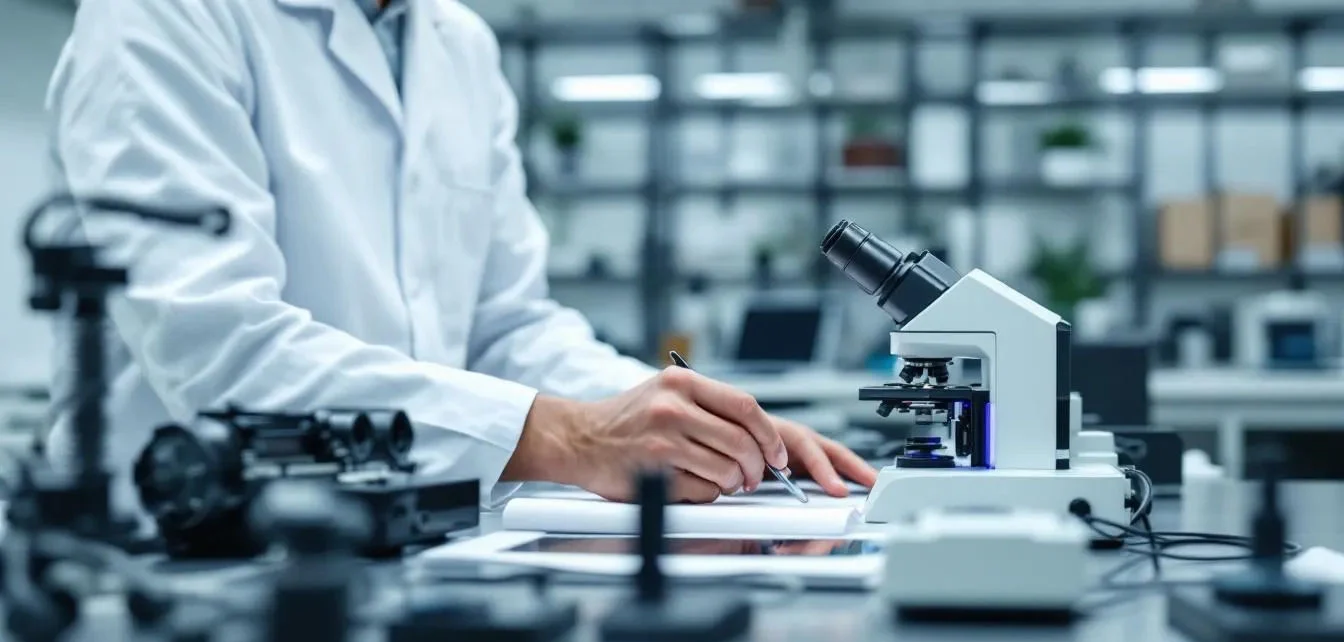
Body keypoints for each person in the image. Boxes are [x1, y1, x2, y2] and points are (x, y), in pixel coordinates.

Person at [44, 0, 877, 508]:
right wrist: (574, 437)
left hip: (409, 546)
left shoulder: (460, 44)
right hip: (180, 561)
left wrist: (698, 427)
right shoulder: (163, 12)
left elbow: (507, 325)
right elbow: (219, 347)